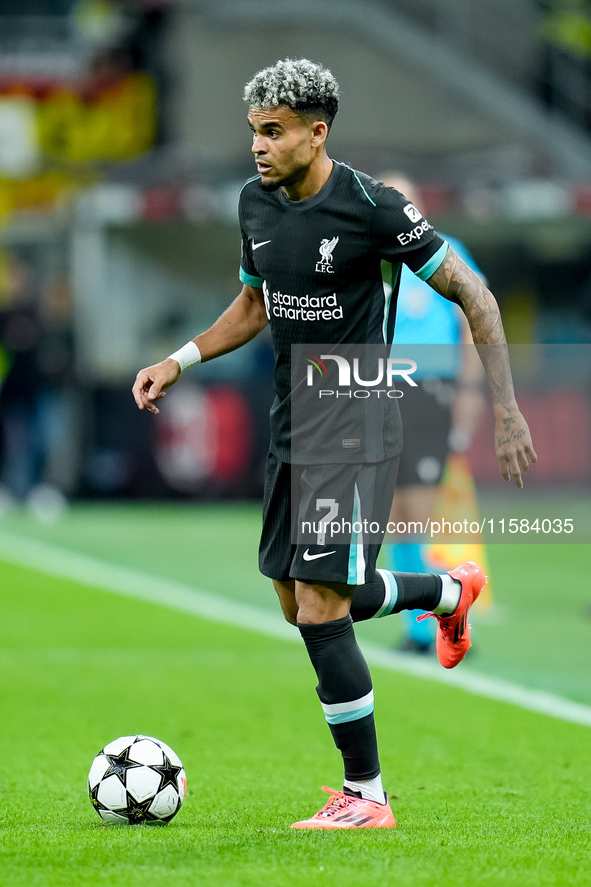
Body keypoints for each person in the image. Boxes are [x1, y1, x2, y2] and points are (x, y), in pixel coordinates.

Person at [132, 59, 537, 830]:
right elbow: (253, 305)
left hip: (353, 406)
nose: (258, 146)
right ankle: (448, 592)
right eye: (254, 131)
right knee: (301, 602)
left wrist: (507, 408)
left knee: (322, 604)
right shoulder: (255, 204)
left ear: (317, 134)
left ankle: (367, 795)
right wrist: (178, 360)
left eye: (273, 132)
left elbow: (473, 293)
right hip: (293, 411)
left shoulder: (373, 207)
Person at [382, 173, 487, 654]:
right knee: (392, 515)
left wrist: (468, 390)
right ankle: (432, 617)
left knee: (417, 510)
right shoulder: (370, 257)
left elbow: (473, 320)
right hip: (376, 391)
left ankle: (434, 622)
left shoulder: (445, 251)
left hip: (430, 391)